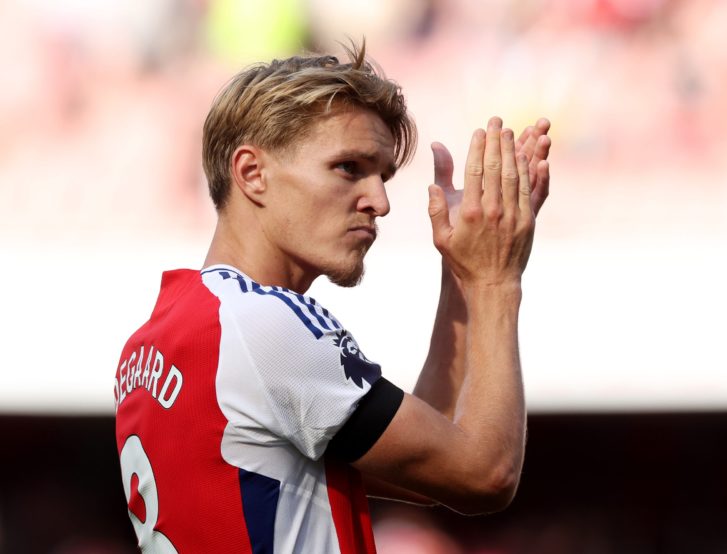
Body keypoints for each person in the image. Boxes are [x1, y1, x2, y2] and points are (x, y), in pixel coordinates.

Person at [114, 41, 551, 553]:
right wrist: (495, 279)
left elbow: (429, 460)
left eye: (382, 176)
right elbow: (484, 474)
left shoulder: (165, 336)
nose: (381, 203)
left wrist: (461, 271)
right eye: (348, 168)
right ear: (252, 173)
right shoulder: (261, 323)